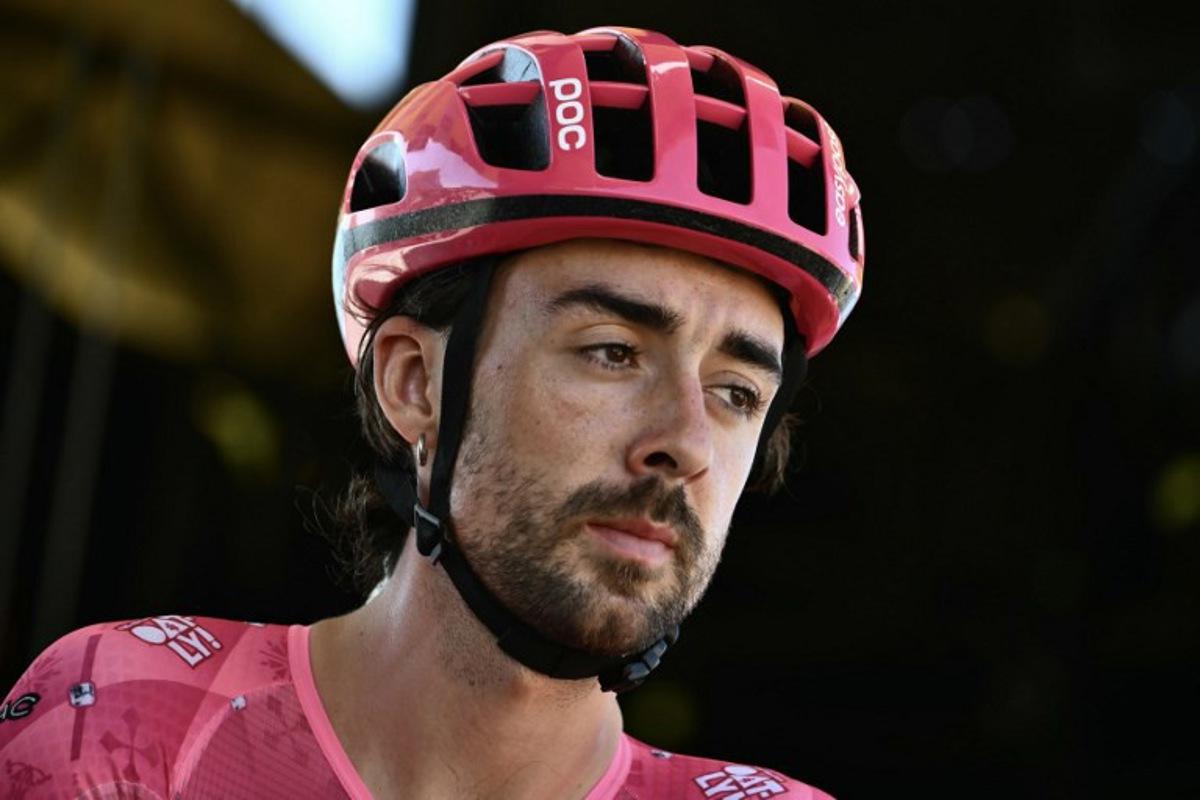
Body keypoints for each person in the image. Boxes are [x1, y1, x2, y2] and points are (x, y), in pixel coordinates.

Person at [0, 26, 864, 799]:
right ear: (414, 384)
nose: (685, 442)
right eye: (612, 352)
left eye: (736, 393)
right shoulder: (130, 718)